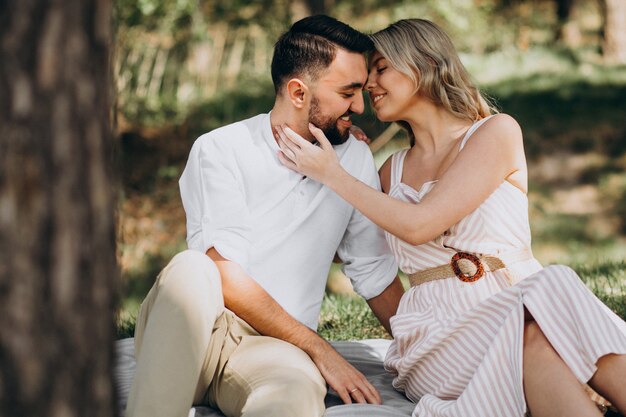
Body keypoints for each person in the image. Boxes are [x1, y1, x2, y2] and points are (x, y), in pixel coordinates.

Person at [276, 18, 626, 417]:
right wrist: (339, 161)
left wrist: (335, 175)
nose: (369, 84)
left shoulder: (495, 133)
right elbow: (343, 246)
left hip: (523, 314)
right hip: (435, 342)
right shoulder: (389, 172)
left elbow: (421, 222)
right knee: (554, 285)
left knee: (537, 344)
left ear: (423, 64)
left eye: (381, 68)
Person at [124, 15, 405, 417]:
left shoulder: (354, 158)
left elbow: (374, 270)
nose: (360, 106)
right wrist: (320, 349)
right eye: (348, 92)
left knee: (291, 398)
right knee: (193, 268)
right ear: (297, 92)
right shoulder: (220, 148)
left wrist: (427, 354)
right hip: (193, 334)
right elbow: (226, 276)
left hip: (274, 354)